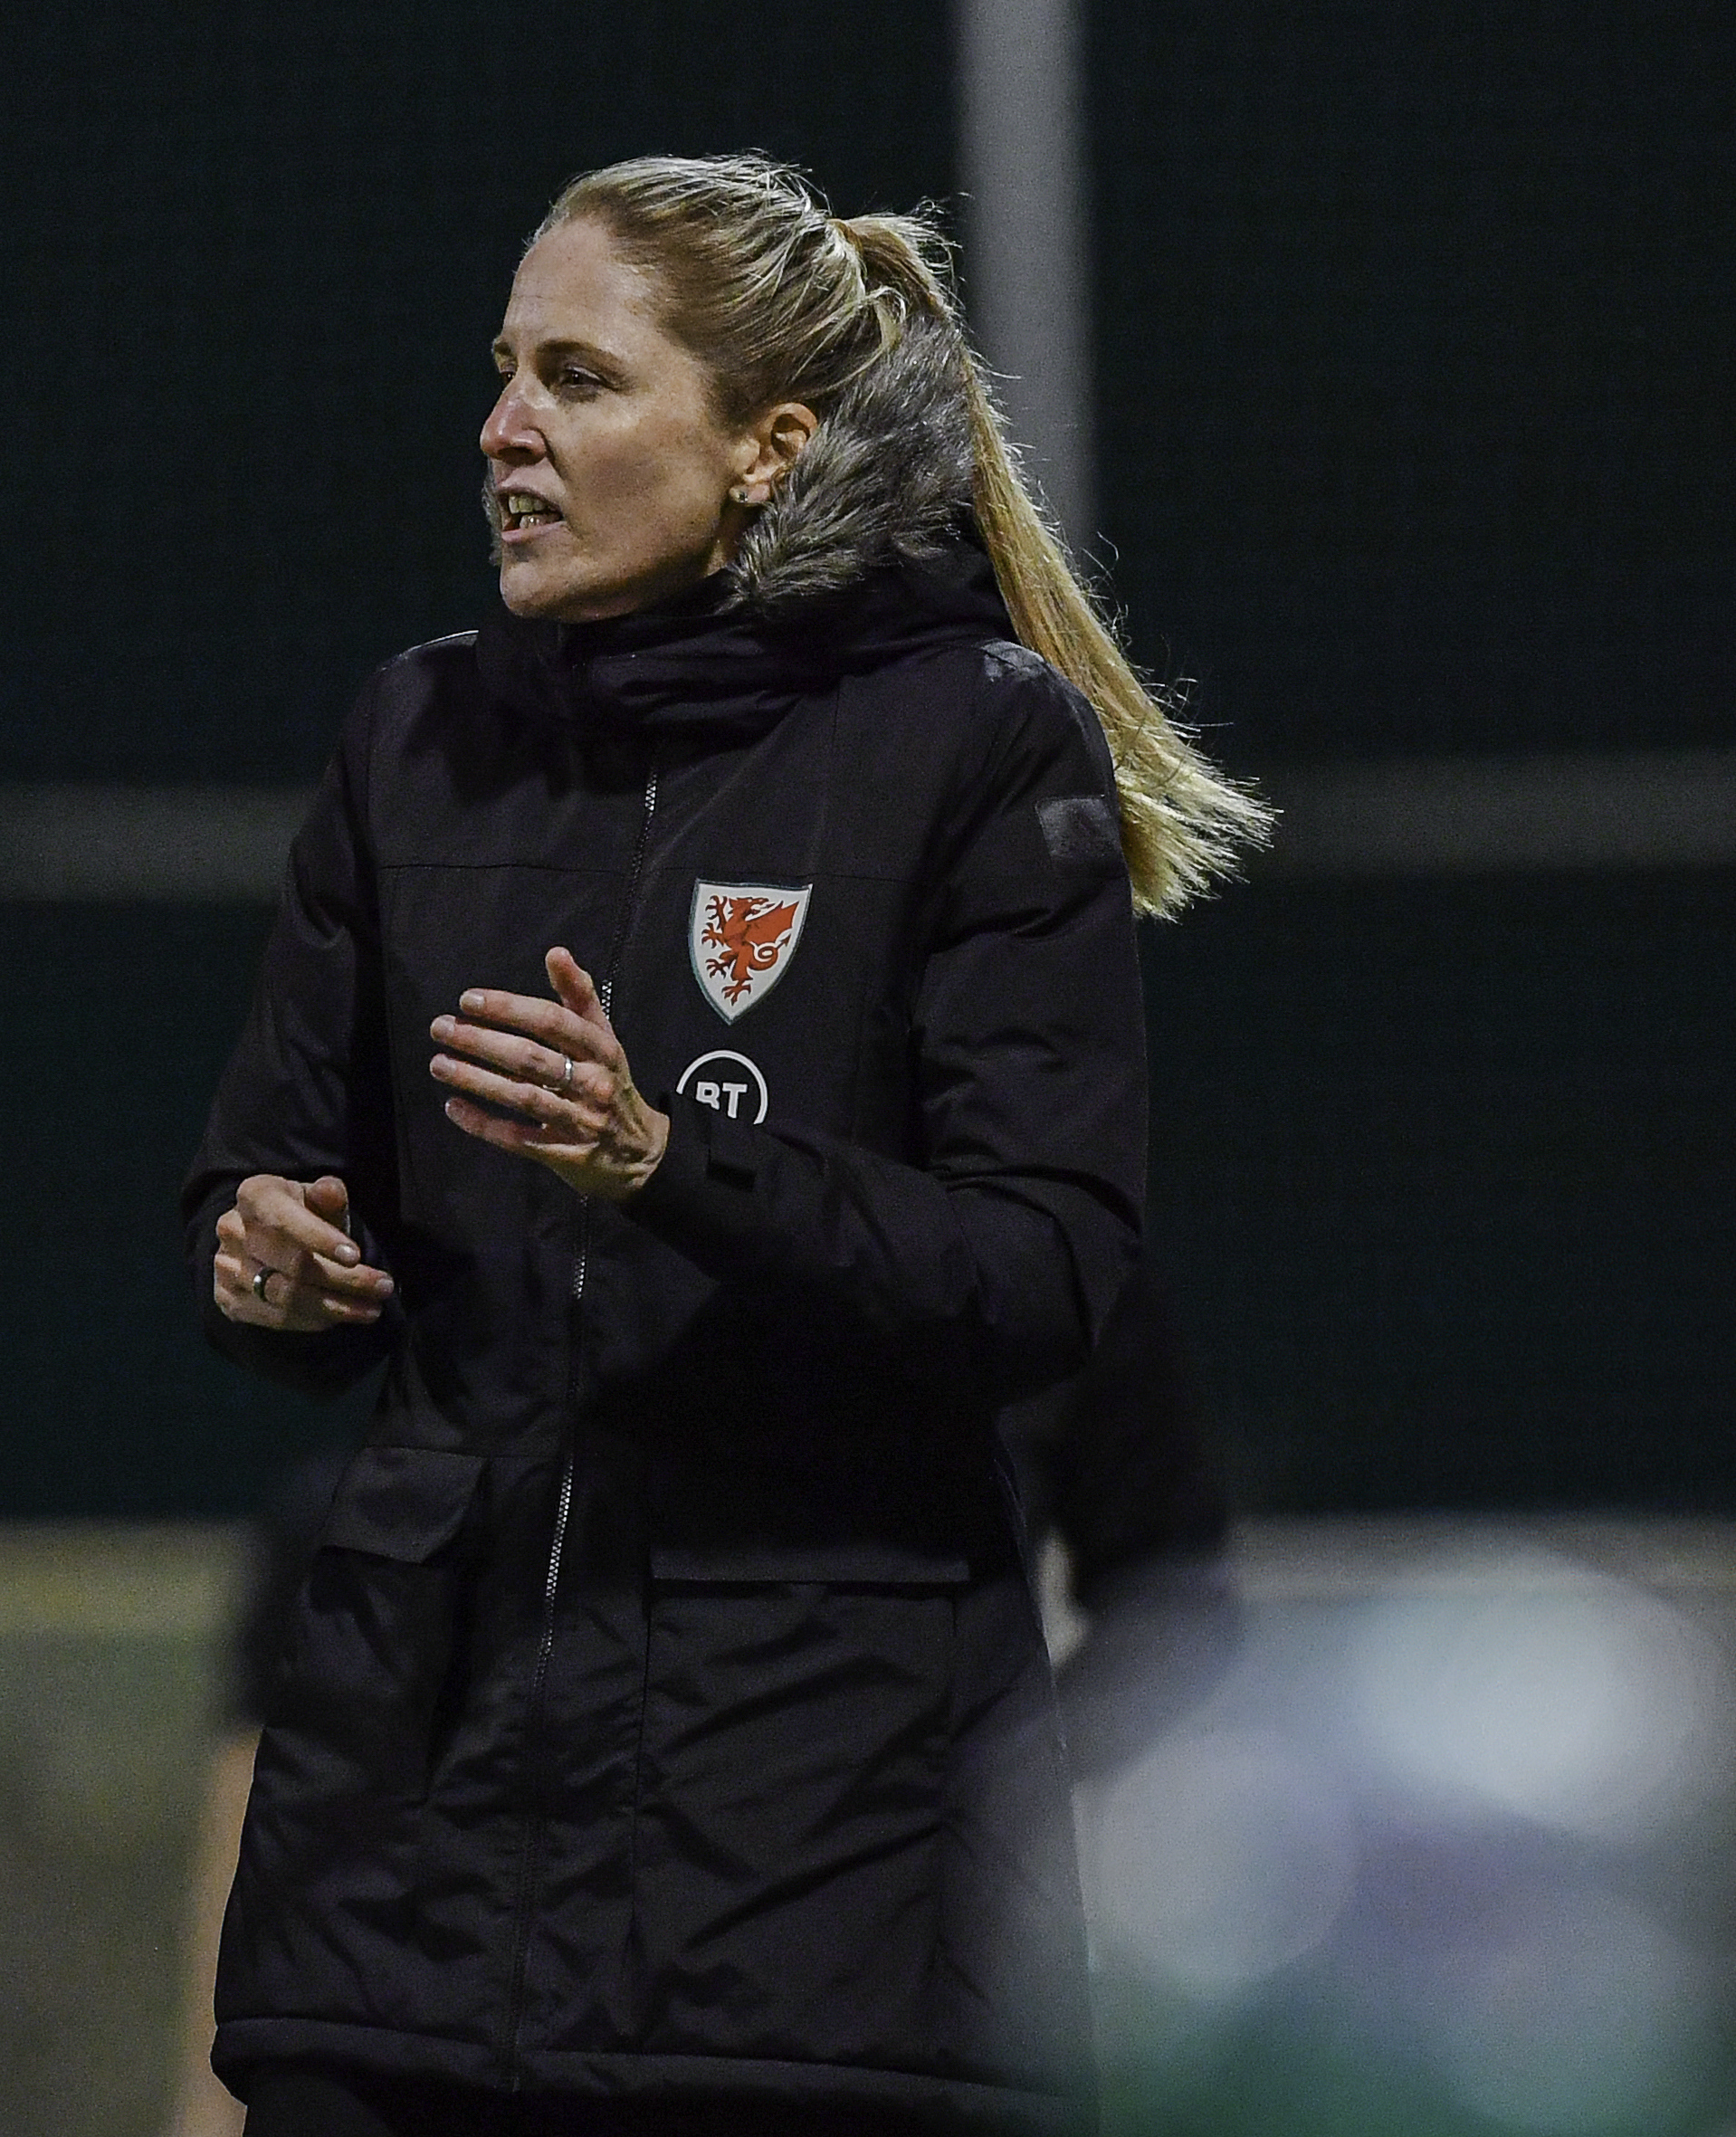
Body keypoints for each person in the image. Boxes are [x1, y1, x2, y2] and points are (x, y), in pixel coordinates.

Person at [178, 154, 1267, 2137]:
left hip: (799, 1898)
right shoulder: (412, 736)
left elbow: (1039, 1275)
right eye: (503, 373)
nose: (504, 427)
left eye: (579, 380)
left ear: (768, 450)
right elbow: (273, 1185)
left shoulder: (974, 742)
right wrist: (265, 1258)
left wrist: (668, 1161)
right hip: (399, 1870)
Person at [164, 1257, 1248, 2137]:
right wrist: (217, 2092)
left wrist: (986, 1787)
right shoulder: (538, 1260)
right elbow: (287, 1751)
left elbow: (1174, 1598)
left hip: (887, 1982)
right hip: (515, 1982)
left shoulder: (1027, 1252)